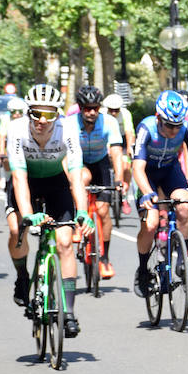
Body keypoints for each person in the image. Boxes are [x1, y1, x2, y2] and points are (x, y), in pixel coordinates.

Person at [5, 84, 91, 336]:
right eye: (36, 114)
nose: (42, 121)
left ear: (58, 115)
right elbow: (19, 178)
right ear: (27, 112)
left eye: (49, 114)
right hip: (27, 181)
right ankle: (22, 276)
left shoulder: (68, 129)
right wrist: (29, 216)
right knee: (15, 230)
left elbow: (75, 176)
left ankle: (70, 313)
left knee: (65, 242)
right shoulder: (16, 129)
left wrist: (83, 211)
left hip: (56, 183)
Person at [131, 91, 188, 298]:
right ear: (158, 118)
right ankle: (143, 269)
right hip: (148, 175)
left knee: (185, 206)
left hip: (170, 171)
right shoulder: (146, 128)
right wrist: (147, 193)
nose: (174, 130)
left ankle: (181, 258)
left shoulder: (186, 129)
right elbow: (137, 167)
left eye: (177, 125)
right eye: (169, 125)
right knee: (151, 224)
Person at [72, 85, 127, 279]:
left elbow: (116, 152)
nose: (92, 112)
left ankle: (104, 258)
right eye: (87, 108)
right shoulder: (70, 123)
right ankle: (77, 222)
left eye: (96, 107)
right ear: (80, 108)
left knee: (103, 212)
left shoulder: (109, 122)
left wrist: (120, 179)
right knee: (82, 178)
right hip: (77, 163)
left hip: (100, 162)